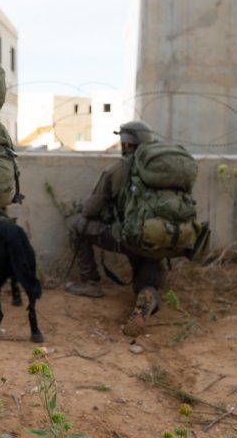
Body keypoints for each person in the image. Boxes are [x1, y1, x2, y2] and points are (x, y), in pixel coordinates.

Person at [65, 120, 169, 337]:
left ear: (127, 144)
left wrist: (82, 208)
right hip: (160, 239)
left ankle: (91, 283)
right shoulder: (163, 168)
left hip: (128, 238)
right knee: (146, 285)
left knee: (78, 225)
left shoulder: (116, 170)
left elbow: (91, 211)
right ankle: (147, 299)